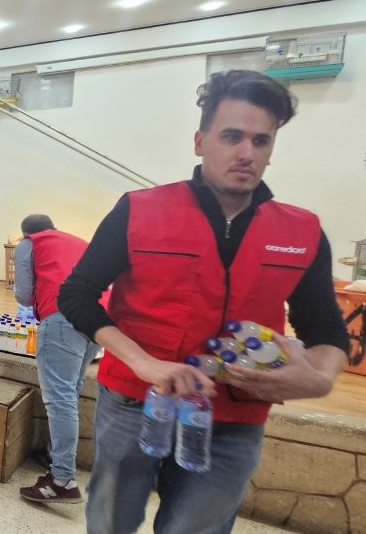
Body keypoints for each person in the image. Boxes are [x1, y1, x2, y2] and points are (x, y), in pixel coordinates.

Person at [57, 70, 350, 533]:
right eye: (232, 136)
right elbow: (76, 293)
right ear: (200, 141)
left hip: (235, 418)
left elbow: (326, 329)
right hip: (133, 405)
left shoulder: (302, 231)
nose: (246, 153)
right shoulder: (140, 209)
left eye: (261, 141)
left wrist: (319, 379)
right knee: (110, 523)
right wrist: (143, 362)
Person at [13, 214, 103, 505]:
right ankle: (56, 455)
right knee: (70, 391)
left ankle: (62, 480)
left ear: (26, 233)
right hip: (98, 321)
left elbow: (24, 295)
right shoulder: (77, 241)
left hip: (63, 317)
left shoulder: (29, 244)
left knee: (59, 398)